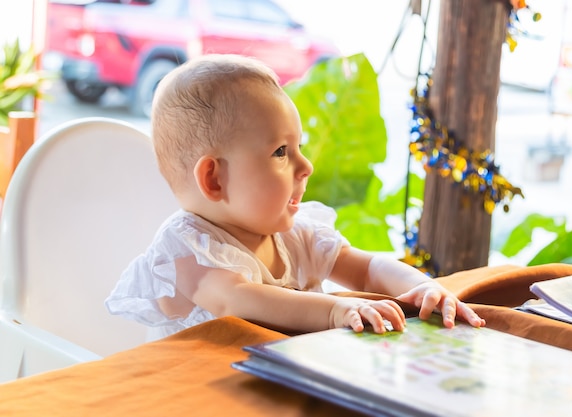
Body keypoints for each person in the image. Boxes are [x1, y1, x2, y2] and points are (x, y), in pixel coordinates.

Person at [105, 54, 486, 339]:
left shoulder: (295, 234)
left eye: (298, 146)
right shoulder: (188, 249)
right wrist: (337, 309)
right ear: (214, 179)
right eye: (281, 152)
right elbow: (238, 300)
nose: (306, 166)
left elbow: (366, 268)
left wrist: (420, 286)